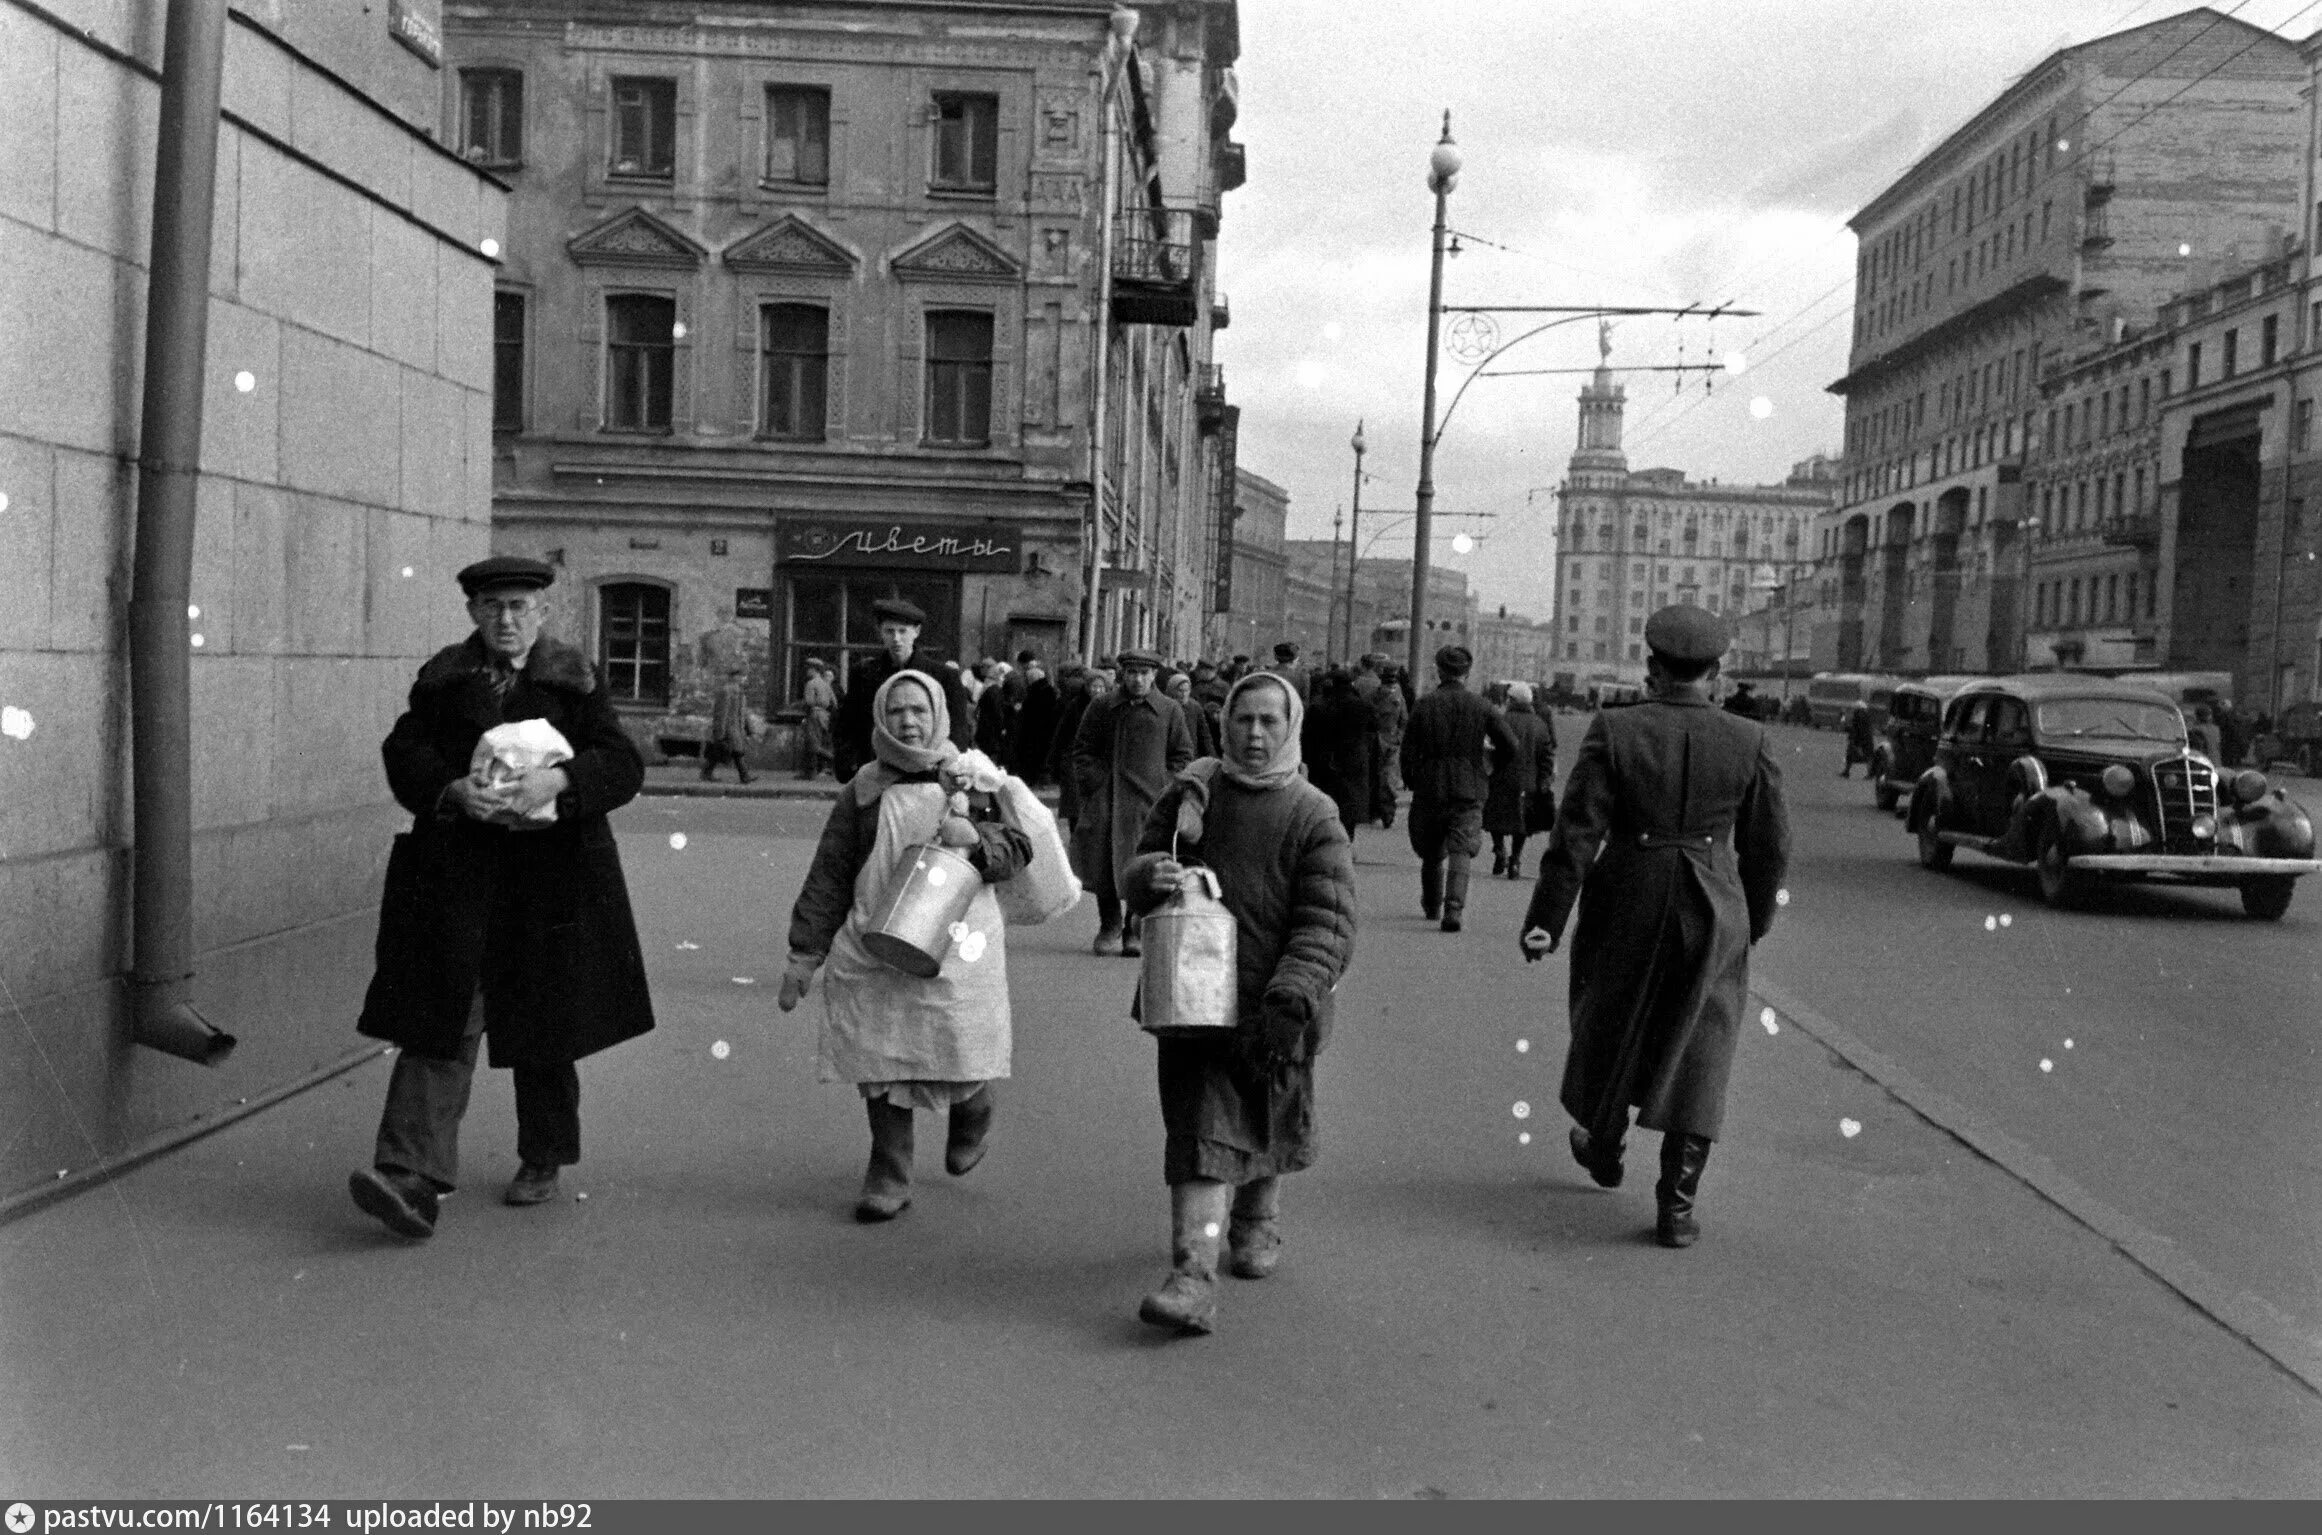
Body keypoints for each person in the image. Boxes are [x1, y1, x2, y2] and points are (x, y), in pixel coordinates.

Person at [348, 556, 655, 1238]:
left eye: (519, 607)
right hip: (459, 879)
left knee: (545, 1023)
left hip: (550, 883)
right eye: (493, 608)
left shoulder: (573, 682)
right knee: (441, 1016)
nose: (506, 620)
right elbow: (404, 751)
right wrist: (450, 788)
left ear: (542, 613)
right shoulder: (443, 680)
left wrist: (563, 782)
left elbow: (623, 763)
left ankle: (542, 1155)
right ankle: (409, 1177)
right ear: (473, 614)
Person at [1520, 605, 1791, 1250]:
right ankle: (1676, 1203)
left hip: (1627, 895)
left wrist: (1546, 922)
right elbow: (1770, 848)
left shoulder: (1614, 729)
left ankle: (1603, 1145)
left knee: (1613, 1021)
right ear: (1717, 671)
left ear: (1651, 666)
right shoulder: (1749, 740)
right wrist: (1749, 920)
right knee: (1702, 1043)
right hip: (1714, 902)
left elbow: (1575, 834)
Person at [1121, 672, 1357, 1335]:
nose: (1255, 735)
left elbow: (1328, 921)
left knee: (1266, 1118)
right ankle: (1192, 1275)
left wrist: (1292, 997)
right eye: (1242, 721)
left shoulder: (1314, 813)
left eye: (1269, 722)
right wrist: (1150, 877)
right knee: (1200, 1134)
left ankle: (1257, 1219)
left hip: (1277, 1003)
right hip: (1192, 997)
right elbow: (1138, 865)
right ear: (1223, 725)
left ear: (1291, 728)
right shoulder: (1195, 792)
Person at [777, 672, 1034, 1221]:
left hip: (958, 943)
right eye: (897, 712)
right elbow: (831, 871)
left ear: (939, 714)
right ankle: (889, 1172)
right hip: (876, 937)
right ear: (880, 718)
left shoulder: (971, 778)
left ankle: (974, 1108)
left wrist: (979, 843)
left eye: (919, 710)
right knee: (880, 1058)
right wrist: (805, 953)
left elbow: (1019, 845)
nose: (909, 721)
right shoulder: (863, 789)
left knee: (956, 1044)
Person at [1073, 648, 1194, 957]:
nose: (1138, 680)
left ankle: (1134, 927)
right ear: (1123, 675)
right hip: (1108, 801)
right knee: (1105, 862)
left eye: (1144, 673)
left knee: (1144, 865)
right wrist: (1096, 783)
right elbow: (1083, 749)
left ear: (1154, 675)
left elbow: (1182, 755)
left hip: (1150, 803)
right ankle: (1109, 924)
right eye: (1132, 673)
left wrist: (1166, 786)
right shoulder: (1103, 707)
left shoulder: (1169, 710)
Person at [1399, 645, 1518, 932]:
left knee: (1431, 849)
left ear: (1439, 670)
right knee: (1461, 848)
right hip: (1469, 786)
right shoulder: (1482, 706)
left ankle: (1431, 904)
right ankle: (1454, 910)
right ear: (1467, 672)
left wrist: (1413, 779)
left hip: (1430, 786)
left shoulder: (1425, 705)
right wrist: (1489, 770)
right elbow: (1510, 744)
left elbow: (1407, 751)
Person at [832, 599, 972, 780]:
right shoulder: (864, 675)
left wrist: (947, 768)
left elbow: (958, 731)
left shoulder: (944, 676)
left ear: (917, 632)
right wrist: (851, 764)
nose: (896, 639)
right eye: (889, 631)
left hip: (927, 776)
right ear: (881, 633)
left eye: (902, 631)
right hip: (877, 773)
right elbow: (848, 725)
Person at [1485, 681, 1557, 878]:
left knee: (1495, 817)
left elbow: (1489, 747)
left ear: (1512, 700)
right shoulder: (1540, 725)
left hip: (1500, 777)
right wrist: (1543, 781)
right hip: (1528, 780)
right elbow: (1547, 757)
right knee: (1522, 823)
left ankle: (1499, 850)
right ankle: (1515, 859)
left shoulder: (1501, 719)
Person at [1301, 666, 1377, 839]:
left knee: (1324, 802)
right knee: (1349, 805)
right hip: (1353, 761)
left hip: (1323, 761)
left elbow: (1307, 737)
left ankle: (1324, 837)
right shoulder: (1362, 706)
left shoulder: (1319, 706)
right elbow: (1374, 728)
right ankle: (1346, 839)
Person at [1370, 658, 1409, 826]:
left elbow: (1404, 720)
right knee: (1386, 777)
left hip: (1384, 739)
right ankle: (1384, 811)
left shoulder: (1376, 694)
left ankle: (1384, 811)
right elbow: (1404, 719)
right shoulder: (1394, 695)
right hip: (1387, 739)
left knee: (1384, 777)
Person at [1011, 653, 1060, 786]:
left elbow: (1028, 712)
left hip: (1032, 732)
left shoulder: (1034, 692)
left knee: (1031, 756)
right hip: (1045, 731)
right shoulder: (1049, 690)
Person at [702, 666, 754, 784]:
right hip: (729, 728)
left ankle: (707, 772)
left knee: (722, 752)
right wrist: (719, 732)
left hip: (737, 727)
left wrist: (748, 728)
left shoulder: (740, 693)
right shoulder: (726, 691)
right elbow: (721, 713)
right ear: (733, 677)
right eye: (740, 676)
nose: (742, 679)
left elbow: (743, 713)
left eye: (742, 676)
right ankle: (744, 776)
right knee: (737, 752)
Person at [798, 658, 837, 781]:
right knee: (821, 742)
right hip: (825, 716)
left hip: (814, 714)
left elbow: (809, 702)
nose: (807, 672)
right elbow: (834, 702)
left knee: (813, 744)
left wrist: (802, 705)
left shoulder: (811, 684)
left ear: (814, 670)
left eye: (808, 669)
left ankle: (814, 772)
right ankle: (812, 773)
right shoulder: (826, 684)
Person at [1167, 670, 1219, 759]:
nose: (1184, 694)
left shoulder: (1195, 707)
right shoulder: (1165, 707)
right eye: (1180, 691)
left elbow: (1204, 736)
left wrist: (1213, 758)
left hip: (1191, 755)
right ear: (1172, 690)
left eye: (1186, 690)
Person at [1838, 700, 1874, 778]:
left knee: (1850, 755)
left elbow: (1854, 728)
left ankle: (1846, 771)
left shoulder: (1858, 715)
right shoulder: (1867, 716)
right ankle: (1870, 773)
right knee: (1868, 757)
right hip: (1867, 739)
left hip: (1857, 739)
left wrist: (1843, 717)